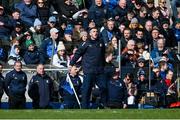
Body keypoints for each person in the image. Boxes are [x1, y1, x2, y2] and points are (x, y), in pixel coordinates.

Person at [70, 27, 106, 108]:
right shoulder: (86, 43)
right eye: (93, 31)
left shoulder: (101, 42)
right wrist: (71, 64)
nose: (95, 33)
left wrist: (103, 66)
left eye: (96, 31)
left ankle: (103, 105)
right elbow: (78, 54)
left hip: (99, 71)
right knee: (87, 90)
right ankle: (84, 108)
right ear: (90, 34)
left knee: (104, 87)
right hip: (89, 70)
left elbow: (103, 55)